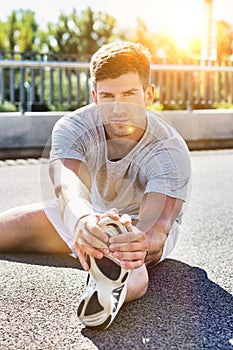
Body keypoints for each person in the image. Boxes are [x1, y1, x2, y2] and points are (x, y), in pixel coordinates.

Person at [0, 41, 191, 329]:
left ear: (148, 94)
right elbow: (66, 185)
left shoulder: (169, 149)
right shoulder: (72, 127)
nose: (118, 109)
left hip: (140, 227)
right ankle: (103, 258)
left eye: (128, 94)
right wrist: (82, 219)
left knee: (129, 257)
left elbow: (159, 225)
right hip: (87, 214)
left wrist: (138, 242)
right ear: (94, 96)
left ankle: (110, 288)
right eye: (108, 96)